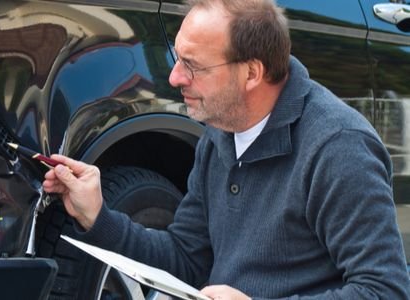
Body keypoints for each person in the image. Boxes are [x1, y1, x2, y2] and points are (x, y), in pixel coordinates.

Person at [42, 0, 410, 299]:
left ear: (252, 73)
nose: (174, 78)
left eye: (193, 65)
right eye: (177, 58)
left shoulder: (338, 147)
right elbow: (186, 259)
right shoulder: (223, 132)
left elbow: (384, 290)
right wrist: (98, 216)